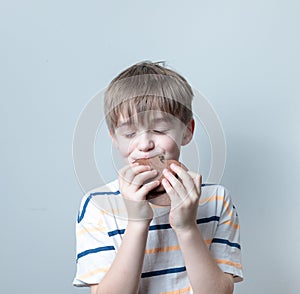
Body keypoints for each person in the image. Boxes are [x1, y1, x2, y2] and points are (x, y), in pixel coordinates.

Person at [73, 61, 243, 294]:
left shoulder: (216, 199)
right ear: (115, 139)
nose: (144, 145)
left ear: (187, 131)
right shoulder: (98, 205)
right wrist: (137, 222)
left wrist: (186, 227)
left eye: (160, 130)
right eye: (130, 133)